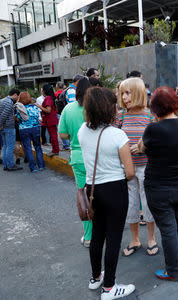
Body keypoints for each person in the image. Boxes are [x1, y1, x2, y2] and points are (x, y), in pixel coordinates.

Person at [78, 87, 136, 300]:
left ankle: (95, 279)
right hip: (114, 190)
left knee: (97, 236)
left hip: (92, 189)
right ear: (108, 108)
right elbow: (130, 172)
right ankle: (110, 288)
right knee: (113, 239)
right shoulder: (118, 135)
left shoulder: (82, 130)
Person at [137, 86, 178, 281]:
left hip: (158, 186)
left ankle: (173, 271)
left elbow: (140, 148)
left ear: (154, 109)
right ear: (175, 104)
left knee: (168, 228)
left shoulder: (153, 129)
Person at [113, 77, 159, 257]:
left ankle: (151, 239)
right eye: (122, 93)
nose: (124, 97)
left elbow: (157, 140)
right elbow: (113, 138)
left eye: (128, 93)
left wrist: (144, 146)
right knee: (130, 206)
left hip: (147, 168)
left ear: (139, 93)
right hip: (127, 170)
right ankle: (134, 240)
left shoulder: (149, 115)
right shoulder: (121, 115)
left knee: (148, 205)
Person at [58, 77, 93, 247]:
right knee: (99, 196)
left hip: (78, 159)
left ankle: (88, 236)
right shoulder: (95, 108)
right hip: (97, 157)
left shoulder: (68, 109)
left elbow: (62, 135)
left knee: (84, 198)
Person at [15, 92, 45, 172]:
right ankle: (41, 165)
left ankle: (33, 167)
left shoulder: (19, 108)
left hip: (24, 129)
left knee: (27, 148)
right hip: (35, 128)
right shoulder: (34, 107)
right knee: (38, 146)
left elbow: (18, 119)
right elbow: (38, 117)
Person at [0, 88, 22, 171]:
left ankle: (6, 165)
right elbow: (3, 116)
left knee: (5, 146)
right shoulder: (9, 103)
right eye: (18, 96)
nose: (17, 99)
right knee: (10, 147)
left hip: (3, 128)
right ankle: (10, 165)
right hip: (8, 128)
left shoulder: (2, 101)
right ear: (15, 95)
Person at [35, 84, 59, 157]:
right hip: (51, 119)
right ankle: (55, 150)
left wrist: (39, 106)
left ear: (45, 91)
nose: (41, 91)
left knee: (53, 136)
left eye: (42, 90)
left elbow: (48, 110)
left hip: (50, 119)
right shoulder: (51, 97)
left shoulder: (48, 98)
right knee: (53, 135)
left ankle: (55, 150)